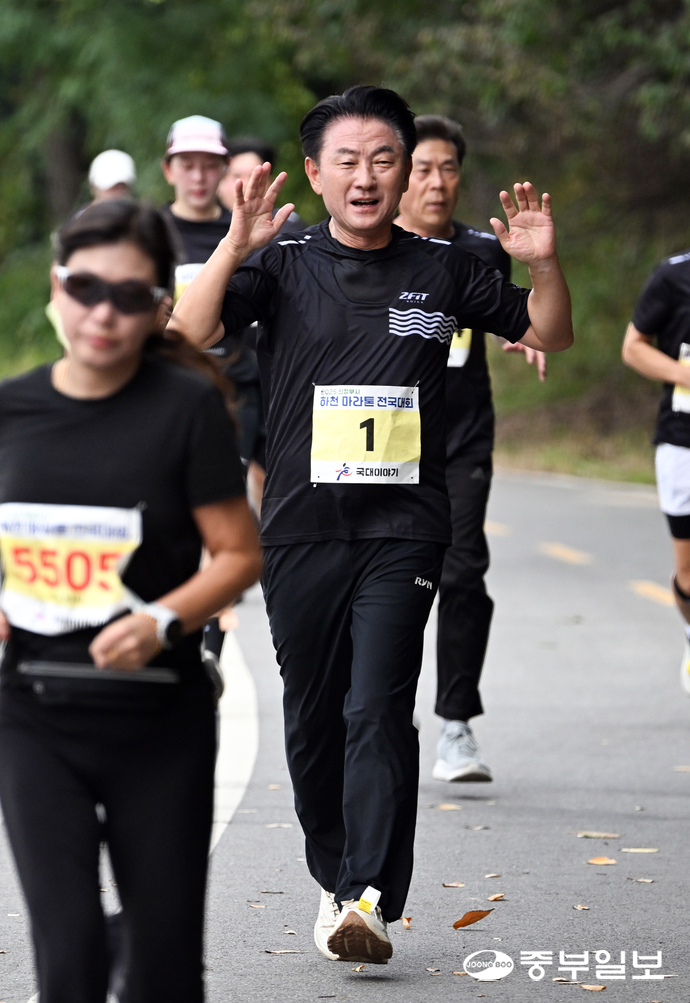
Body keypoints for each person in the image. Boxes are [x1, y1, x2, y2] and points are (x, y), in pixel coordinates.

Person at [171, 85, 573, 965]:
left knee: (377, 707)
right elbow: (187, 331)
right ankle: (336, 875)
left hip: (405, 526)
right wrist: (237, 241)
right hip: (302, 526)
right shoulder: (282, 264)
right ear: (314, 173)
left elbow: (552, 329)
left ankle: (368, 895)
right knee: (314, 717)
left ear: (406, 171)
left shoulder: (448, 266)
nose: (367, 178)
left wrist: (541, 264)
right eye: (347, 162)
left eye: (384, 160)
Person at [0, 199, 261, 1003]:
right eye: (86, 288)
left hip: (159, 720)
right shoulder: (11, 409)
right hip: (35, 716)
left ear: (158, 307)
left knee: (164, 969)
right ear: (57, 287)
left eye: (130, 296)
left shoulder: (183, 408)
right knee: (68, 957)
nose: (103, 314)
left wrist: (159, 620)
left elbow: (239, 553)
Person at [396, 115, 546, 783]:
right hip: (385, 443)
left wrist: (527, 332)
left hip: (461, 440)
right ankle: (382, 707)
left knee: (461, 572)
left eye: (448, 168)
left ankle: (455, 724)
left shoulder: (484, 250)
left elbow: (516, 312)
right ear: (399, 176)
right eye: (423, 168)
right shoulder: (366, 249)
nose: (436, 181)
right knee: (386, 581)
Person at [162, 116, 265, 678]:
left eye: (209, 165)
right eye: (187, 164)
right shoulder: (149, 232)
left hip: (232, 394)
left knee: (221, 521)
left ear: (224, 171)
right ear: (169, 169)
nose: (198, 176)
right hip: (161, 397)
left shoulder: (245, 232)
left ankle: (208, 652)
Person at [622, 252, 690, 695]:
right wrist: (685, 374)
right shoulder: (673, 275)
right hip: (683, 440)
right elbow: (633, 347)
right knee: (688, 571)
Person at [219, 135, 303, 232]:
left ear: (270, 182)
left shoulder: (291, 231)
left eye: (255, 176)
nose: (246, 184)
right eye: (237, 176)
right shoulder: (207, 229)